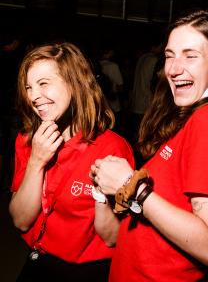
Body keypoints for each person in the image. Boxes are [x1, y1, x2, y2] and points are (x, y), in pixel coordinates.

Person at [91, 9, 208, 281]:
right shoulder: (193, 118)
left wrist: (132, 186)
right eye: (169, 55)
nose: (173, 69)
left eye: (190, 56)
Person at [9, 42, 135, 281]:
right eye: (29, 87)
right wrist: (36, 161)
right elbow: (21, 221)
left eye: (43, 83)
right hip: (37, 260)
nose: (34, 96)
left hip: (86, 272)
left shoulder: (112, 148)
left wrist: (102, 197)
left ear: (75, 84)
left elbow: (113, 237)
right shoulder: (28, 140)